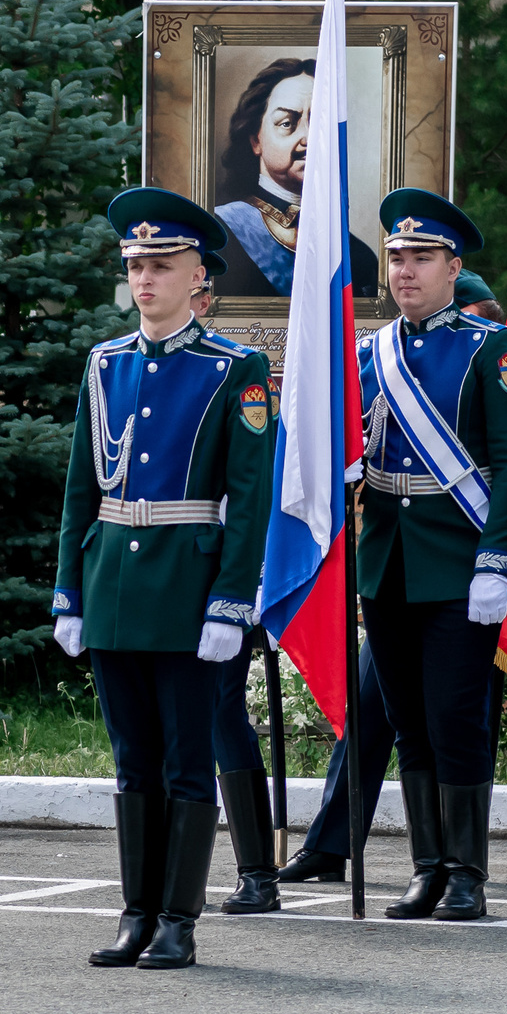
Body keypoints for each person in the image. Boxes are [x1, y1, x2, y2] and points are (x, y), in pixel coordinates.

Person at [53, 187, 275, 970]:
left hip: (188, 586)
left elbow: (251, 502)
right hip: (113, 580)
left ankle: (178, 919)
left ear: (199, 281)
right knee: (131, 759)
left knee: (186, 758)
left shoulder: (235, 369)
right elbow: (83, 487)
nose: (144, 280)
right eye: (136, 265)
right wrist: (68, 590)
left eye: (161, 265)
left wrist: (230, 601)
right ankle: (135, 912)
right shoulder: (105, 363)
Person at [354, 190, 507, 921]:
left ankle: (467, 871)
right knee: (408, 723)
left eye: (421, 258)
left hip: (459, 563)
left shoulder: (490, 348)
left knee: (454, 716)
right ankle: (426, 865)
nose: (405, 271)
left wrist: (497, 560)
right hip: (387, 561)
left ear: (453, 267)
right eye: (397, 258)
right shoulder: (370, 354)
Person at [184, 276, 287, 916]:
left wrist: (245, 585)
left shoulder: (232, 372)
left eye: (198, 296)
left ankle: (256, 870)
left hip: (222, 572)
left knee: (222, 714)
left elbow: (251, 489)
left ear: (206, 299)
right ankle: (175, 873)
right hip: (166, 571)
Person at [212, 57, 382, 297]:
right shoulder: (220, 235)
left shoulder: (359, 257)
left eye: (319, 124)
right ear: (255, 140)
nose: (307, 138)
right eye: (287, 123)